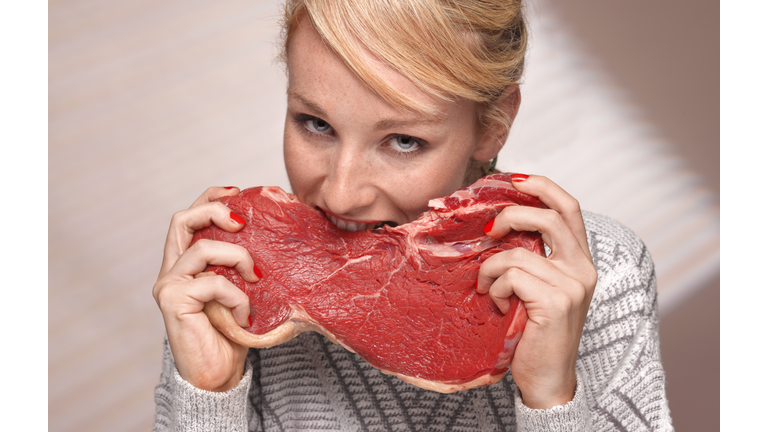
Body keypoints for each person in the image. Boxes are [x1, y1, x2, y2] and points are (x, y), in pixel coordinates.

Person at [152, 0, 674, 430]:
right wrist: (210, 396)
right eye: (314, 123)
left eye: (403, 140)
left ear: (493, 124)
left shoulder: (595, 275)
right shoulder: (236, 271)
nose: (340, 194)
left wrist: (550, 400)